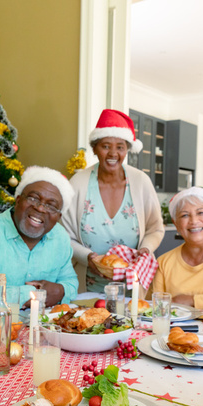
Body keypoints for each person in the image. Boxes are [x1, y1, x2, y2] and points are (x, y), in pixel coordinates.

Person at [62, 109, 164, 292]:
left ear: (127, 150)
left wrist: (146, 249)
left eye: (120, 147)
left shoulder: (141, 182)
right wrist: (88, 257)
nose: (113, 153)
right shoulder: (77, 183)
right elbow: (63, 236)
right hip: (86, 287)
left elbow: (155, 228)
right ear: (94, 148)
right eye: (106, 146)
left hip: (133, 288)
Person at [0, 166, 78, 308]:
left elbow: (71, 283)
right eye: (34, 198)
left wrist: (60, 290)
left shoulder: (60, 236)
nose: (40, 208)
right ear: (18, 200)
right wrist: (32, 294)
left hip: (44, 328)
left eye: (51, 206)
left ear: (58, 217)